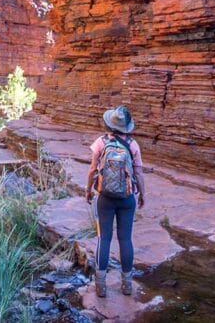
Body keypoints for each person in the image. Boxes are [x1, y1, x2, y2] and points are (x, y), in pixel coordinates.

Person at [85, 105, 146, 298]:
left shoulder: (100, 142)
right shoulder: (133, 145)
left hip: (105, 198)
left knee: (104, 239)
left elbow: (92, 169)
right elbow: (138, 172)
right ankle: (126, 285)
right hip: (127, 198)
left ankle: (101, 286)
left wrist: (88, 190)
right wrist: (142, 194)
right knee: (125, 239)